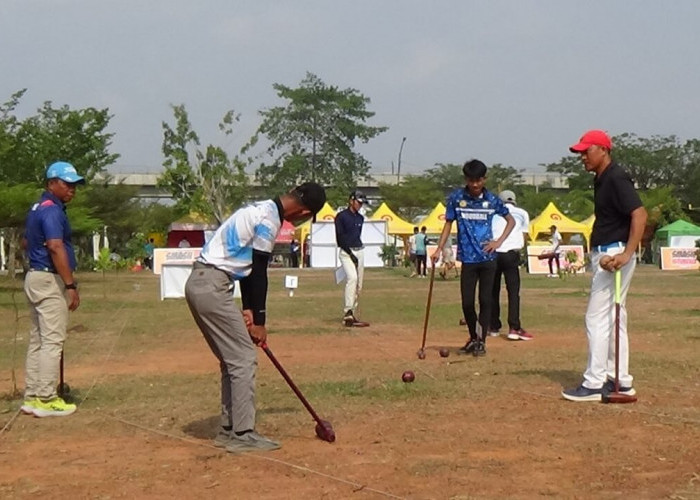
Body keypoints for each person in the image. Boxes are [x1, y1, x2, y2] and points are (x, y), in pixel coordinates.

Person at [185, 182, 326, 452]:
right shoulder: (270, 220)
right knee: (243, 358)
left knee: (231, 359)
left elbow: (247, 268)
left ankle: (229, 430)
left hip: (202, 282)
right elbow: (259, 270)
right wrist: (260, 322)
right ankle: (242, 434)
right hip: (212, 285)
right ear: (303, 212)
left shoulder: (259, 209)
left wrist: (249, 308)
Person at [562, 130, 647, 402]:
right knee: (613, 318)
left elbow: (640, 213)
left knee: (596, 318)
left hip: (614, 255)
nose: (582, 157)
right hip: (610, 252)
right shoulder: (602, 178)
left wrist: (626, 253)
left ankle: (594, 382)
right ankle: (619, 378)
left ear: (602, 149)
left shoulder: (615, 177)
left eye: (586, 151)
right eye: (580, 153)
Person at [431, 160, 515, 357]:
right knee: (467, 303)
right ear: (466, 179)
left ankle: (481, 341)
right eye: (471, 180)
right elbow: (448, 224)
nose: (475, 185)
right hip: (467, 259)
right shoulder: (456, 198)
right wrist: (439, 249)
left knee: (486, 300)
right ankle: (473, 336)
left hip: (487, 258)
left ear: (484, 179)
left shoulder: (492, 200)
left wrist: (498, 242)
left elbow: (510, 220)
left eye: (478, 180)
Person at [20, 161, 84, 417]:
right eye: (67, 184)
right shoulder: (53, 212)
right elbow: (56, 246)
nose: (72, 190)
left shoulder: (37, 208)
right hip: (48, 279)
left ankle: (33, 396)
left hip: (34, 276)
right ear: (51, 183)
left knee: (37, 339)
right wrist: (70, 285)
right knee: (52, 340)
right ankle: (47, 398)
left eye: (75, 185)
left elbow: (26, 241)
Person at [489, 190, 532, 341]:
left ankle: (493, 326)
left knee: (493, 291)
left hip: (494, 252)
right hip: (511, 254)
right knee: (513, 292)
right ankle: (514, 327)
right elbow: (524, 236)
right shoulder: (522, 213)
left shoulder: (493, 212)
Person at [335, 190, 370, 327]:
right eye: (358, 202)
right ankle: (348, 310)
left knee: (359, 285)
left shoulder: (360, 219)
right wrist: (350, 254)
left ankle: (353, 314)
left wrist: (357, 255)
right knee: (352, 278)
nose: (360, 206)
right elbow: (340, 238)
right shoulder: (341, 217)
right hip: (346, 252)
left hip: (359, 250)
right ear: (351, 200)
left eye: (362, 204)